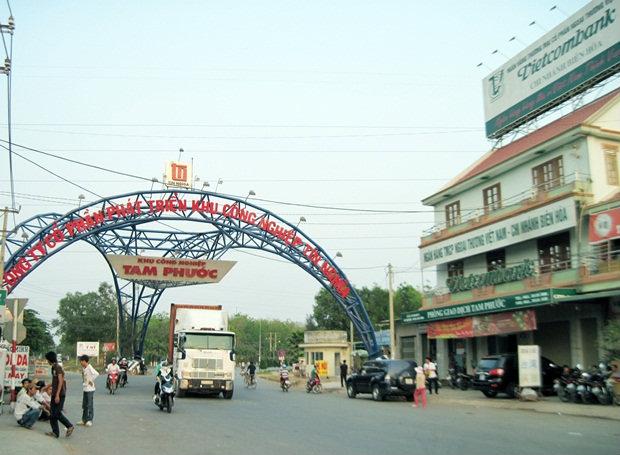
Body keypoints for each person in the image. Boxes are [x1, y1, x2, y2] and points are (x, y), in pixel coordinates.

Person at [45, 351, 74, 438]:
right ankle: (55, 432)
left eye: (47, 359)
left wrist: (57, 394)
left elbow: (60, 381)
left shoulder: (58, 367)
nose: (47, 361)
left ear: (50, 359)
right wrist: (47, 386)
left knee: (57, 413)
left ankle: (69, 426)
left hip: (60, 394)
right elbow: (55, 381)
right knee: (52, 413)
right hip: (54, 393)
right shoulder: (53, 367)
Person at [78, 354, 99, 427]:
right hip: (85, 389)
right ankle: (84, 419)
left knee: (89, 405)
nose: (80, 362)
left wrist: (91, 380)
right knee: (84, 405)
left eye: (81, 361)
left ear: (84, 361)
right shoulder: (84, 368)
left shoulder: (89, 367)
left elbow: (96, 374)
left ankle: (89, 420)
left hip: (90, 389)